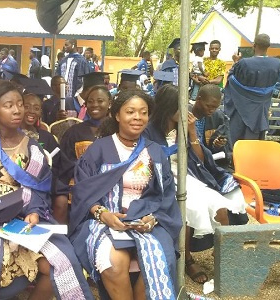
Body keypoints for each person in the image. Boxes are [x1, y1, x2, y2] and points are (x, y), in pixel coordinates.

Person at [0, 80, 93, 299]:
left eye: (19, 104)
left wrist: (34, 212)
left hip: (25, 214)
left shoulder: (34, 147)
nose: (17, 110)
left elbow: (40, 189)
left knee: (60, 260)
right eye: (8, 105)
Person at [70, 89, 181, 299]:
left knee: (158, 262)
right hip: (104, 221)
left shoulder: (155, 152)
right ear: (117, 115)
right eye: (130, 112)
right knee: (113, 263)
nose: (137, 117)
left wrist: (154, 218)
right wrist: (103, 214)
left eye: (143, 112)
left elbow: (166, 195)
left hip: (147, 222)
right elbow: (83, 192)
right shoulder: (99, 150)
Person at [143, 84, 248, 284]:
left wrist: (191, 133)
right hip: (162, 179)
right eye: (181, 107)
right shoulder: (149, 131)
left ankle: (223, 258)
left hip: (187, 174)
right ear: (168, 107)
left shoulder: (181, 127)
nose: (186, 111)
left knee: (222, 208)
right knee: (192, 209)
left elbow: (200, 159)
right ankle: (188, 259)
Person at [19, 78, 68, 224]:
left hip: (44, 182)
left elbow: (59, 165)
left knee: (62, 199)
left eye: (36, 108)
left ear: (41, 112)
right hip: (17, 181)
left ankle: (57, 235)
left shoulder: (47, 137)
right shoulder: (11, 135)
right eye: (27, 106)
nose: (31, 111)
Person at [58, 85, 113, 214]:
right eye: (90, 101)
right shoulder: (74, 132)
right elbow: (65, 164)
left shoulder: (118, 131)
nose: (94, 105)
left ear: (109, 104)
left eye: (100, 101)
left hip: (110, 185)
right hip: (80, 184)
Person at [223, 34, 280, 146]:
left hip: (241, 107)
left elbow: (231, 80)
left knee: (237, 139)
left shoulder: (244, 63)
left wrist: (235, 62)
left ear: (254, 45)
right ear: (269, 46)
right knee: (255, 141)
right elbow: (275, 83)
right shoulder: (277, 64)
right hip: (261, 109)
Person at [190, 84, 232, 165]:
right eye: (208, 106)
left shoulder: (218, 117)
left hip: (211, 163)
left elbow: (225, 152)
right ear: (198, 99)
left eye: (215, 107)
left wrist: (217, 146)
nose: (212, 110)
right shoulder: (186, 115)